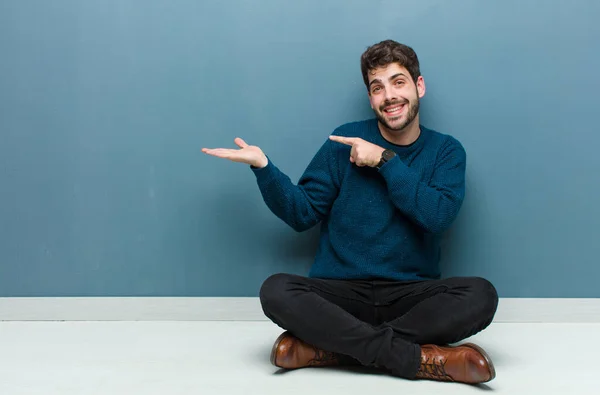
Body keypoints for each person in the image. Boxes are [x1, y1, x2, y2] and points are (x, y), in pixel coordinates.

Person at [202, 39, 498, 384]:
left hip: (410, 296)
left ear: (419, 86)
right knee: (276, 290)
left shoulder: (446, 151)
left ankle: (330, 348)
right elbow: (302, 214)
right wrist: (263, 168)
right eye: (377, 87)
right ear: (371, 97)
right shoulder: (345, 140)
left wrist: (385, 162)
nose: (389, 96)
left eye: (398, 82)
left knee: (481, 295)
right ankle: (414, 358)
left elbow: (437, 217)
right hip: (341, 293)